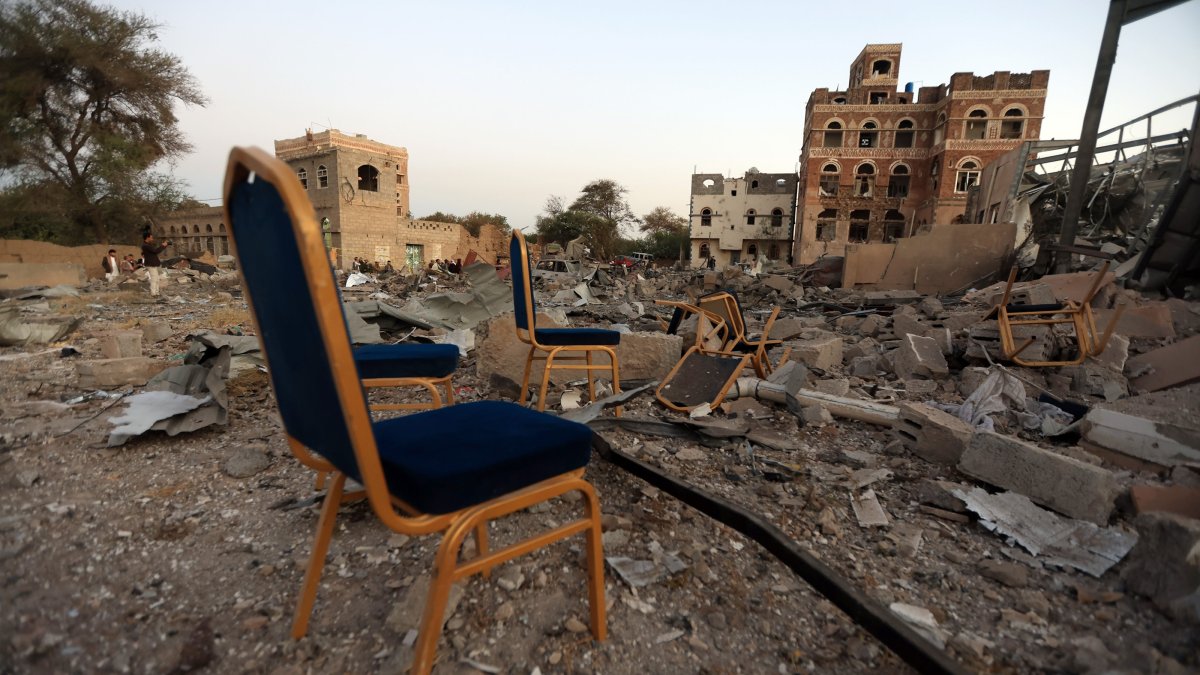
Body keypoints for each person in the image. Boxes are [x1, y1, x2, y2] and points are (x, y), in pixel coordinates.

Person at [141, 232, 170, 297]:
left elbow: (155, 251)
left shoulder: (147, 245)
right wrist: (163, 245)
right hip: (151, 264)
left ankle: (156, 293)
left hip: (153, 264)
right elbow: (155, 251)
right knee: (154, 279)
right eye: (151, 237)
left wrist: (164, 246)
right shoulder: (145, 246)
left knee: (156, 279)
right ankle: (153, 293)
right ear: (147, 237)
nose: (152, 238)